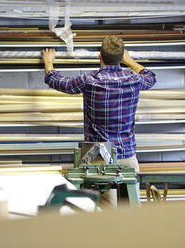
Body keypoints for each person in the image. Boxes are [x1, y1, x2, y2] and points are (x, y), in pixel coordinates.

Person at [42, 35, 157, 173]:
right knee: (130, 195)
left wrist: (48, 62)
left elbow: (57, 81)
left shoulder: (90, 81)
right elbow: (150, 77)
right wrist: (129, 61)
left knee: (100, 195)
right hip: (127, 153)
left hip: (98, 155)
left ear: (99, 56)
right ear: (121, 58)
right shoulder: (134, 80)